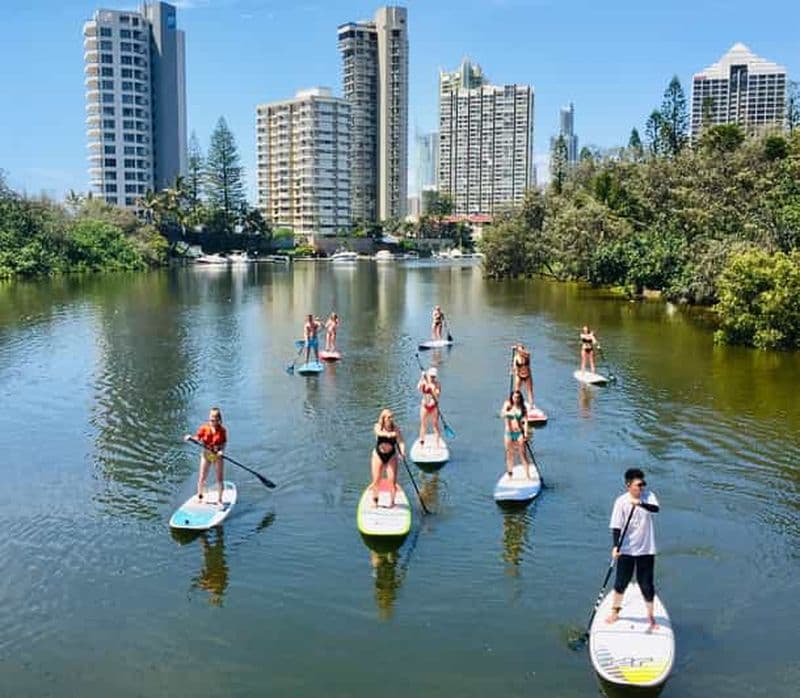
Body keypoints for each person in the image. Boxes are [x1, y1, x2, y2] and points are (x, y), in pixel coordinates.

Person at [606, 468, 661, 630]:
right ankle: (615, 612)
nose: (642, 487)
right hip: (627, 550)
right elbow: (616, 527)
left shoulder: (649, 497)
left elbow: (656, 509)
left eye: (643, 484)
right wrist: (615, 546)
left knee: (647, 584)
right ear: (628, 485)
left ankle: (650, 616)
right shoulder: (621, 502)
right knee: (621, 583)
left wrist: (641, 504)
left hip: (646, 549)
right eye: (638, 485)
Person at [185, 407, 227, 507]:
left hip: (217, 456)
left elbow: (224, 443)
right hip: (206, 455)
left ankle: (220, 500)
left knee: (219, 479)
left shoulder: (222, 430)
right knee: (202, 478)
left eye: (214, 419)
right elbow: (197, 438)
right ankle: (200, 497)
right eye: (211, 418)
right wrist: (190, 438)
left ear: (218, 419)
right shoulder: (204, 428)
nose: (212, 420)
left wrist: (221, 451)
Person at [370, 409, 406, 508]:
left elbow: (401, 442)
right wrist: (389, 434)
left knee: (392, 481)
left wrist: (402, 452)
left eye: (392, 417)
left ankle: (392, 502)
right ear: (384, 418)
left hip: (391, 456)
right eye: (389, 417)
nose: (391, 419)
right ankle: (375, 501)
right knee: (376, 480)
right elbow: (379, 433)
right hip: (378, 455)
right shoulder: (377, 426)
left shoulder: (396, 429)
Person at [501, 390, 531, 479]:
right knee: (509, 454)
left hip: (519, 433)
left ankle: (528, 475)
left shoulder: (523, 407)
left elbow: (525, 422)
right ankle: (510, 475)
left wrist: (526, 434)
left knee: (523, 454)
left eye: (518, 397)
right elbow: (502, 414)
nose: (516, 399)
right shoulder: (507, 405)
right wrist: (509, 412)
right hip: (508, 433)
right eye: (514, 397)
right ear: (512, 397)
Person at [417, 367, 442, 447]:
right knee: (423, 425)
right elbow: (419, 388)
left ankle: (437, 444)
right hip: (425, 406)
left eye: (434, 376)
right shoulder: (424, 382)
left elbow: (437, 395)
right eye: (431, 376)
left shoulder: (437, 384)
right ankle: (422, 443)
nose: (432, 378)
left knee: (435, 424)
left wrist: (432, 389)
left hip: (434, 406)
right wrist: (422, 378)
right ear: (428, 375)